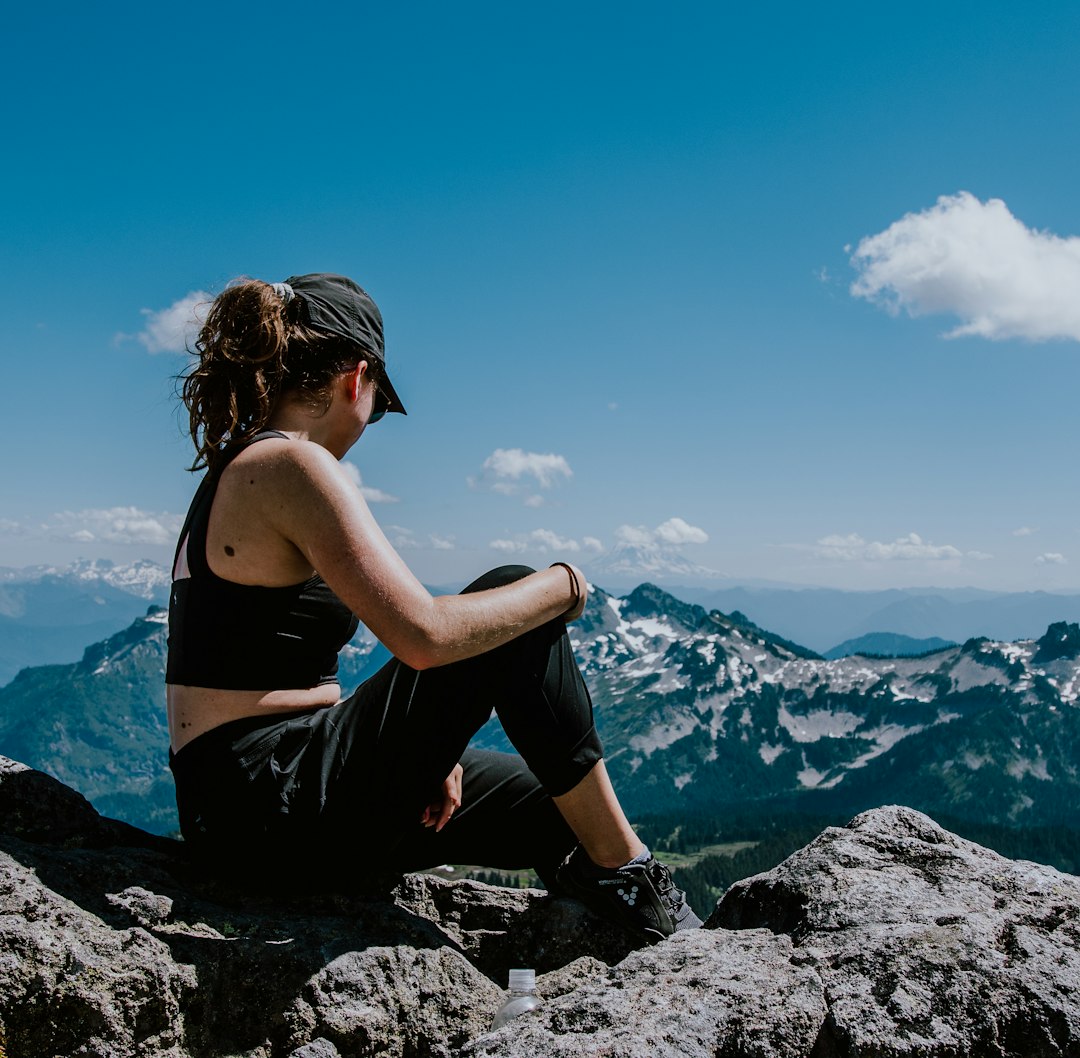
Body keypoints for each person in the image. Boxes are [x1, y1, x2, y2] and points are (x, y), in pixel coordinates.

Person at [165, 272, 700, 942]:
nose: (369, 423)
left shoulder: (242, 467)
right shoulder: (291, 466)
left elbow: (280, 671)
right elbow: (424, 636)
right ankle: (628, 879)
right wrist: (562, 584)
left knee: (566, 809)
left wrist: (427, 753)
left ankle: (605, 887)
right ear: (355, 381)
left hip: (265, 801)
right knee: (514, 588)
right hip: (268, 807)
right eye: (378, 406)